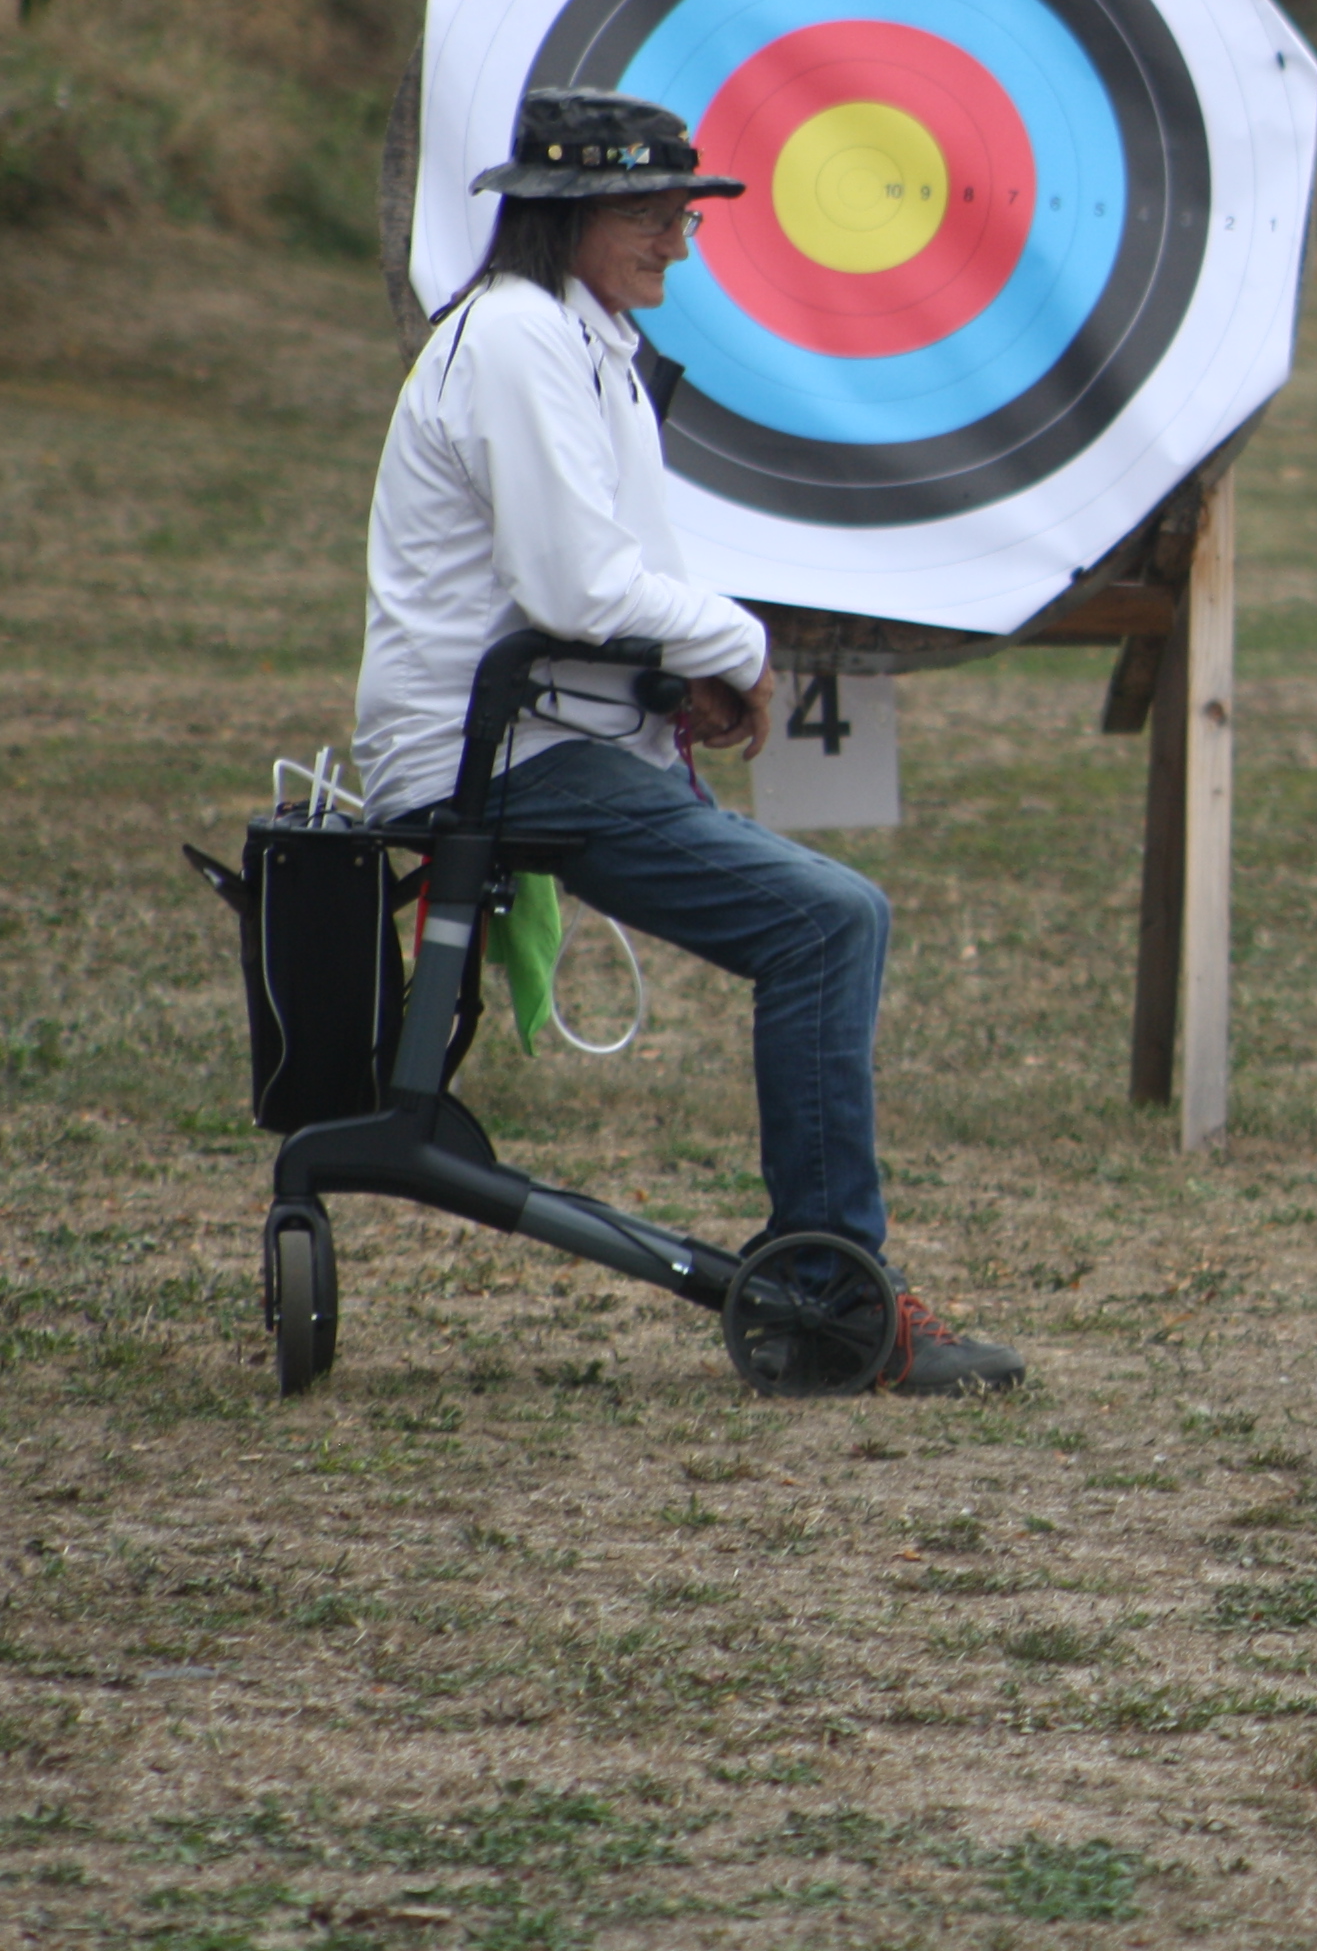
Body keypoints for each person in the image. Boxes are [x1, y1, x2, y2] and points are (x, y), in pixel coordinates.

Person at [355, 86, 1021, 1394]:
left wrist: (682, 677)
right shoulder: (521, 338)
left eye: (685, 211)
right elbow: (573, 587)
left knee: (829, 920)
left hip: (548, 735)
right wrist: (736, 648)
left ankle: (828, 1281)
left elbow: (614, 577)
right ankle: (834, 1296)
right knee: (828, 922)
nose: (679, 237)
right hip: (500, 754)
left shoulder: (577, 335)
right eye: (652, 213)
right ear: (569, 217)